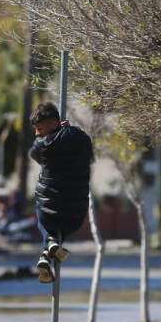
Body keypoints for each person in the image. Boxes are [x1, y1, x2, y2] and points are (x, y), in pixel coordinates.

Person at [28, 102, 94, 283]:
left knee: (43, 213)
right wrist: (69, 131)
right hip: (75, 217)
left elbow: (35, 155)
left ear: (54, 125)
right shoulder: (83, 139)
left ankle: (49, 242)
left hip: (49, 212)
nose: (37, 133)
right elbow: (88, 153)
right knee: (57, 231)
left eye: (39, 128)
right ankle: (45, 255)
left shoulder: (42, 145)